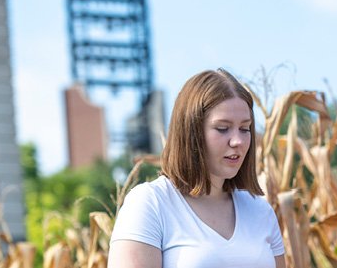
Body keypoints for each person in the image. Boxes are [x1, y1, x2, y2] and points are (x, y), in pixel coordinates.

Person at [108, 69, 286, 268]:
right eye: (222, 128)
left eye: (245, 129)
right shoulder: (151, 204)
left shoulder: (261, 211)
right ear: (191, 132)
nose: (238, 141)